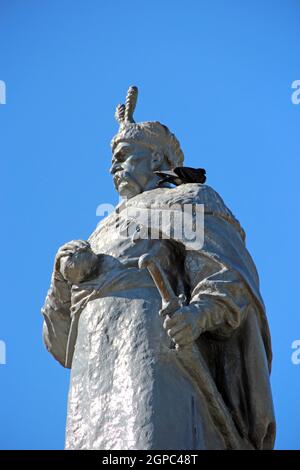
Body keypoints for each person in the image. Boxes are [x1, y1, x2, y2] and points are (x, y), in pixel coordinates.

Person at [41, 86, 275, 450]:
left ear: (156, 159)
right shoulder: (101, 230)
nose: (112, 166)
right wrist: (61, 277)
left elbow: (225, 273)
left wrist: (198, 315)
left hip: (155, 348)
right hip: (94, 367)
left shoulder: (183, 201)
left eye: (122, 155)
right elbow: (60, 348)